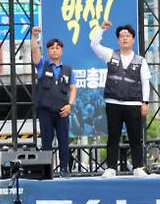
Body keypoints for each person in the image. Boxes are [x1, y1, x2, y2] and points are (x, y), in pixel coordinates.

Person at [90, 21, 151, 177]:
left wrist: (145, 102)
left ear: (133, 39)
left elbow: (145, 82)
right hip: (113, 103)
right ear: (118, 40)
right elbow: (94, 44)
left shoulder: (140, 60)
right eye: (122, 36)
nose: (125, 39)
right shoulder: (110, 54)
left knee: (135, 137)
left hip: (134, 103)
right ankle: (111, 167)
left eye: (128, 36)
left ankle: (138, 167)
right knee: (113, 135)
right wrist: (101, 29)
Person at [30, 27, 76, 178]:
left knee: (64, 142)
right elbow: (35, 52)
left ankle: (64, 169)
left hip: (62, 110)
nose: (55, 50)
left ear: (61, 50)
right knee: (46, 142)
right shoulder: (42, 65)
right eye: (51, 48)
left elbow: (73, 88)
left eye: (58, 48)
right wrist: (34, 36)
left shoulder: (68, 69)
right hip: (45, 111)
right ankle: (46, 170)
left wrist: (70, 105)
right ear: (48, 51)